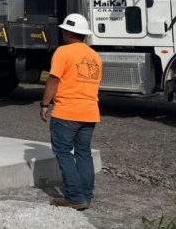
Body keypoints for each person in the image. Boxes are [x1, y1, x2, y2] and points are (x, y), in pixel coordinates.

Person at [40, 13, 103, 210]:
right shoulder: (95, 56)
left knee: (64, 152)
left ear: (68, 32)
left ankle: (74, 197)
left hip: (67, 112)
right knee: (84, 153)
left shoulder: (63, 52)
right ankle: (86, 196)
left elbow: (54, 79)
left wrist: (44, 104)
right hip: (90, 112)